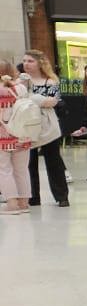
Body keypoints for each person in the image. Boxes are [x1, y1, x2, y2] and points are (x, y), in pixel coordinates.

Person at [17, 51, 68, 209]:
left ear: (40, 63)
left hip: (47, 126)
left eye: (30, 61)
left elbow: (53, 102)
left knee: (54, 162)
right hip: (27, 126)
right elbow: (16, 99)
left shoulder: (50, 81)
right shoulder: (20, 81)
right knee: (28, 163)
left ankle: (61, 196)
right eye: (24, 60)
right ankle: (33, 197)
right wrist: (39, 100)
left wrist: (31, 98)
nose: (26, 64)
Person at [0, 64, 29, 214]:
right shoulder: (21, 88)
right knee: (21, 170)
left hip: (3, 135)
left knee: (4, 170)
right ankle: (24, 203)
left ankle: (11, 204)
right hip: (23, 134)